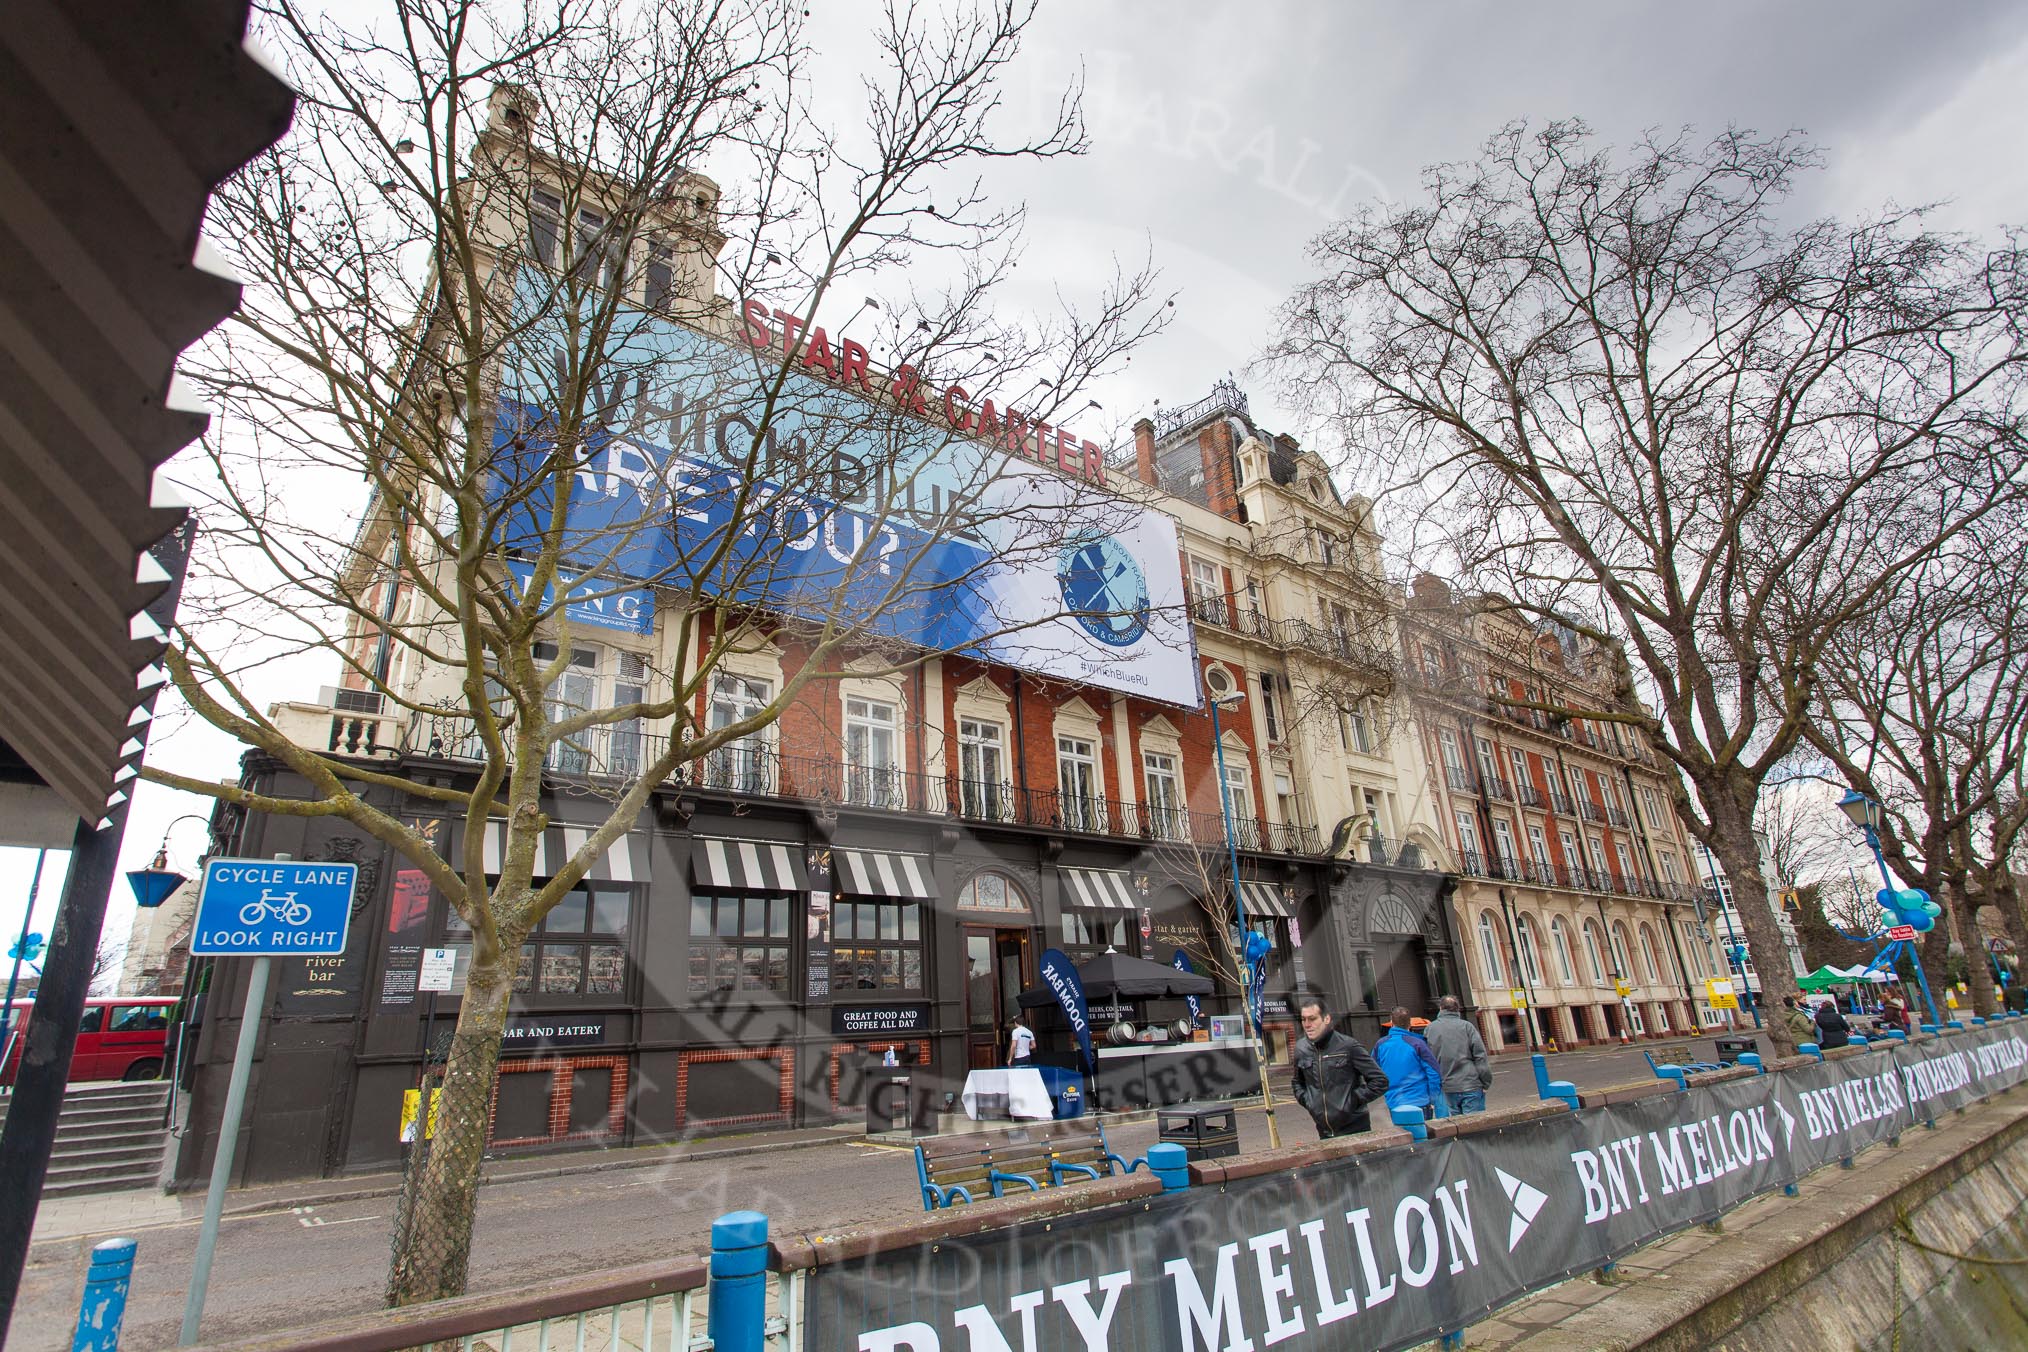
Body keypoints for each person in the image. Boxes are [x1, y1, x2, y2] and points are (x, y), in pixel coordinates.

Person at [1291, 995, 1390, 1139]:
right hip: (1324, 1131)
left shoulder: (1348, 1046)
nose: (1307, 1024)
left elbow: (1380, 1081)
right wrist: (1310, 1102)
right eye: (1303, 1019)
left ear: (1326, 1019)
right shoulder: (1301, 1048)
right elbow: (1297, 1082)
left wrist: (1352, 1101)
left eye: (1312, 1019)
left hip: (1355, 1129)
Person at [1374, 1006, 1448, 1121]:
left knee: (1404, 1136)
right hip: (1420, 1101)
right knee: (1424, 1136)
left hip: (1395, 1102)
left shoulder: (1380, 1045)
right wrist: (1433, 1098)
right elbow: (1434, 1072)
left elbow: (1374, 1072)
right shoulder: (1418, 1044)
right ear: (1409, 1024)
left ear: (1391, 1023)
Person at [1424, 996, 1492, 1114]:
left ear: (1441, 1008)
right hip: (1470, 1083)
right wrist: (1486, 1082)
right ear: (1457, 1009)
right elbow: (1480, 1057)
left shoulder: (1430, 1029)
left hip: (1447, 1086)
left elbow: (1428, 1061)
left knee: (1456, 1125)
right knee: (1475, 1125)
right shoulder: (1467, 1027)